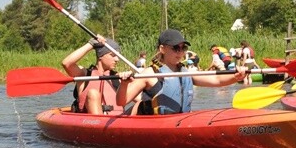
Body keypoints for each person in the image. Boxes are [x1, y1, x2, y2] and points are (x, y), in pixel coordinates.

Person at [117, 29, 246, 115]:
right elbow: (122, 101)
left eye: (183, 48)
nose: (180, 52)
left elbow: (217, 80)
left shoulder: (185, 72)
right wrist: (124, 84)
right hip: (153, 124)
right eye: (175, 48)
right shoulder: (149, 74)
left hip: (178, 122)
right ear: (162, 49)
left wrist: (236, 76)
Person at [62, 35, 123, 115]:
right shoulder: (84, 75)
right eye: (113, 55)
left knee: (139, 104)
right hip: (90, 122)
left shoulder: (119, 78)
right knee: (93, 93)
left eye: (118, 56)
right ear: (100, 56)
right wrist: (91, 44)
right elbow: (67, 63)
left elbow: (139, 98)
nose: (117, 59)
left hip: (116, 123)